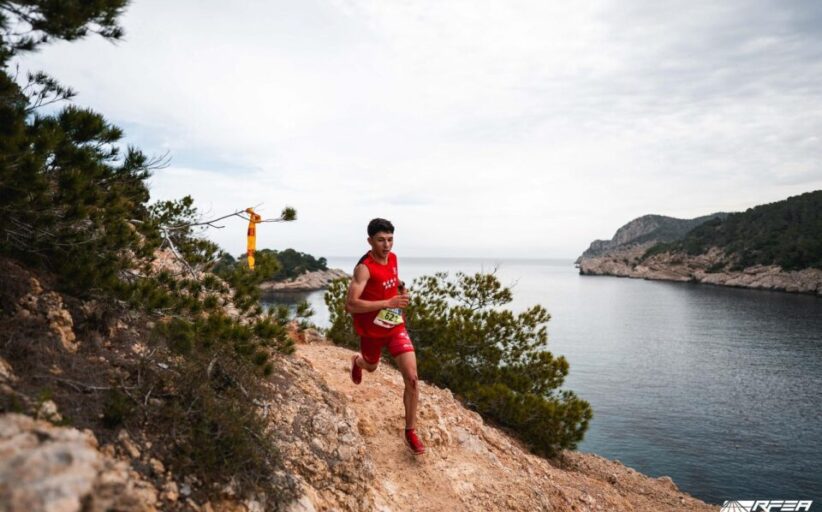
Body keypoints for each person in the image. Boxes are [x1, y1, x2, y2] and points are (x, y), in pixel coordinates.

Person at [345, 218, 425, 455]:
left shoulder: (393, 258)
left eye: (390, 239)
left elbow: (393, 279)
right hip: (371, 332)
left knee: (412, 378)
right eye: (381, 240)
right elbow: (351, 305)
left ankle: (410, 431)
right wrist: (387, 302)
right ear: (370, 241)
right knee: (371, 366)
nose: (387, 245)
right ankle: (357, 361)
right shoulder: (364, 269)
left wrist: (401, 289)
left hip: (395, 326)